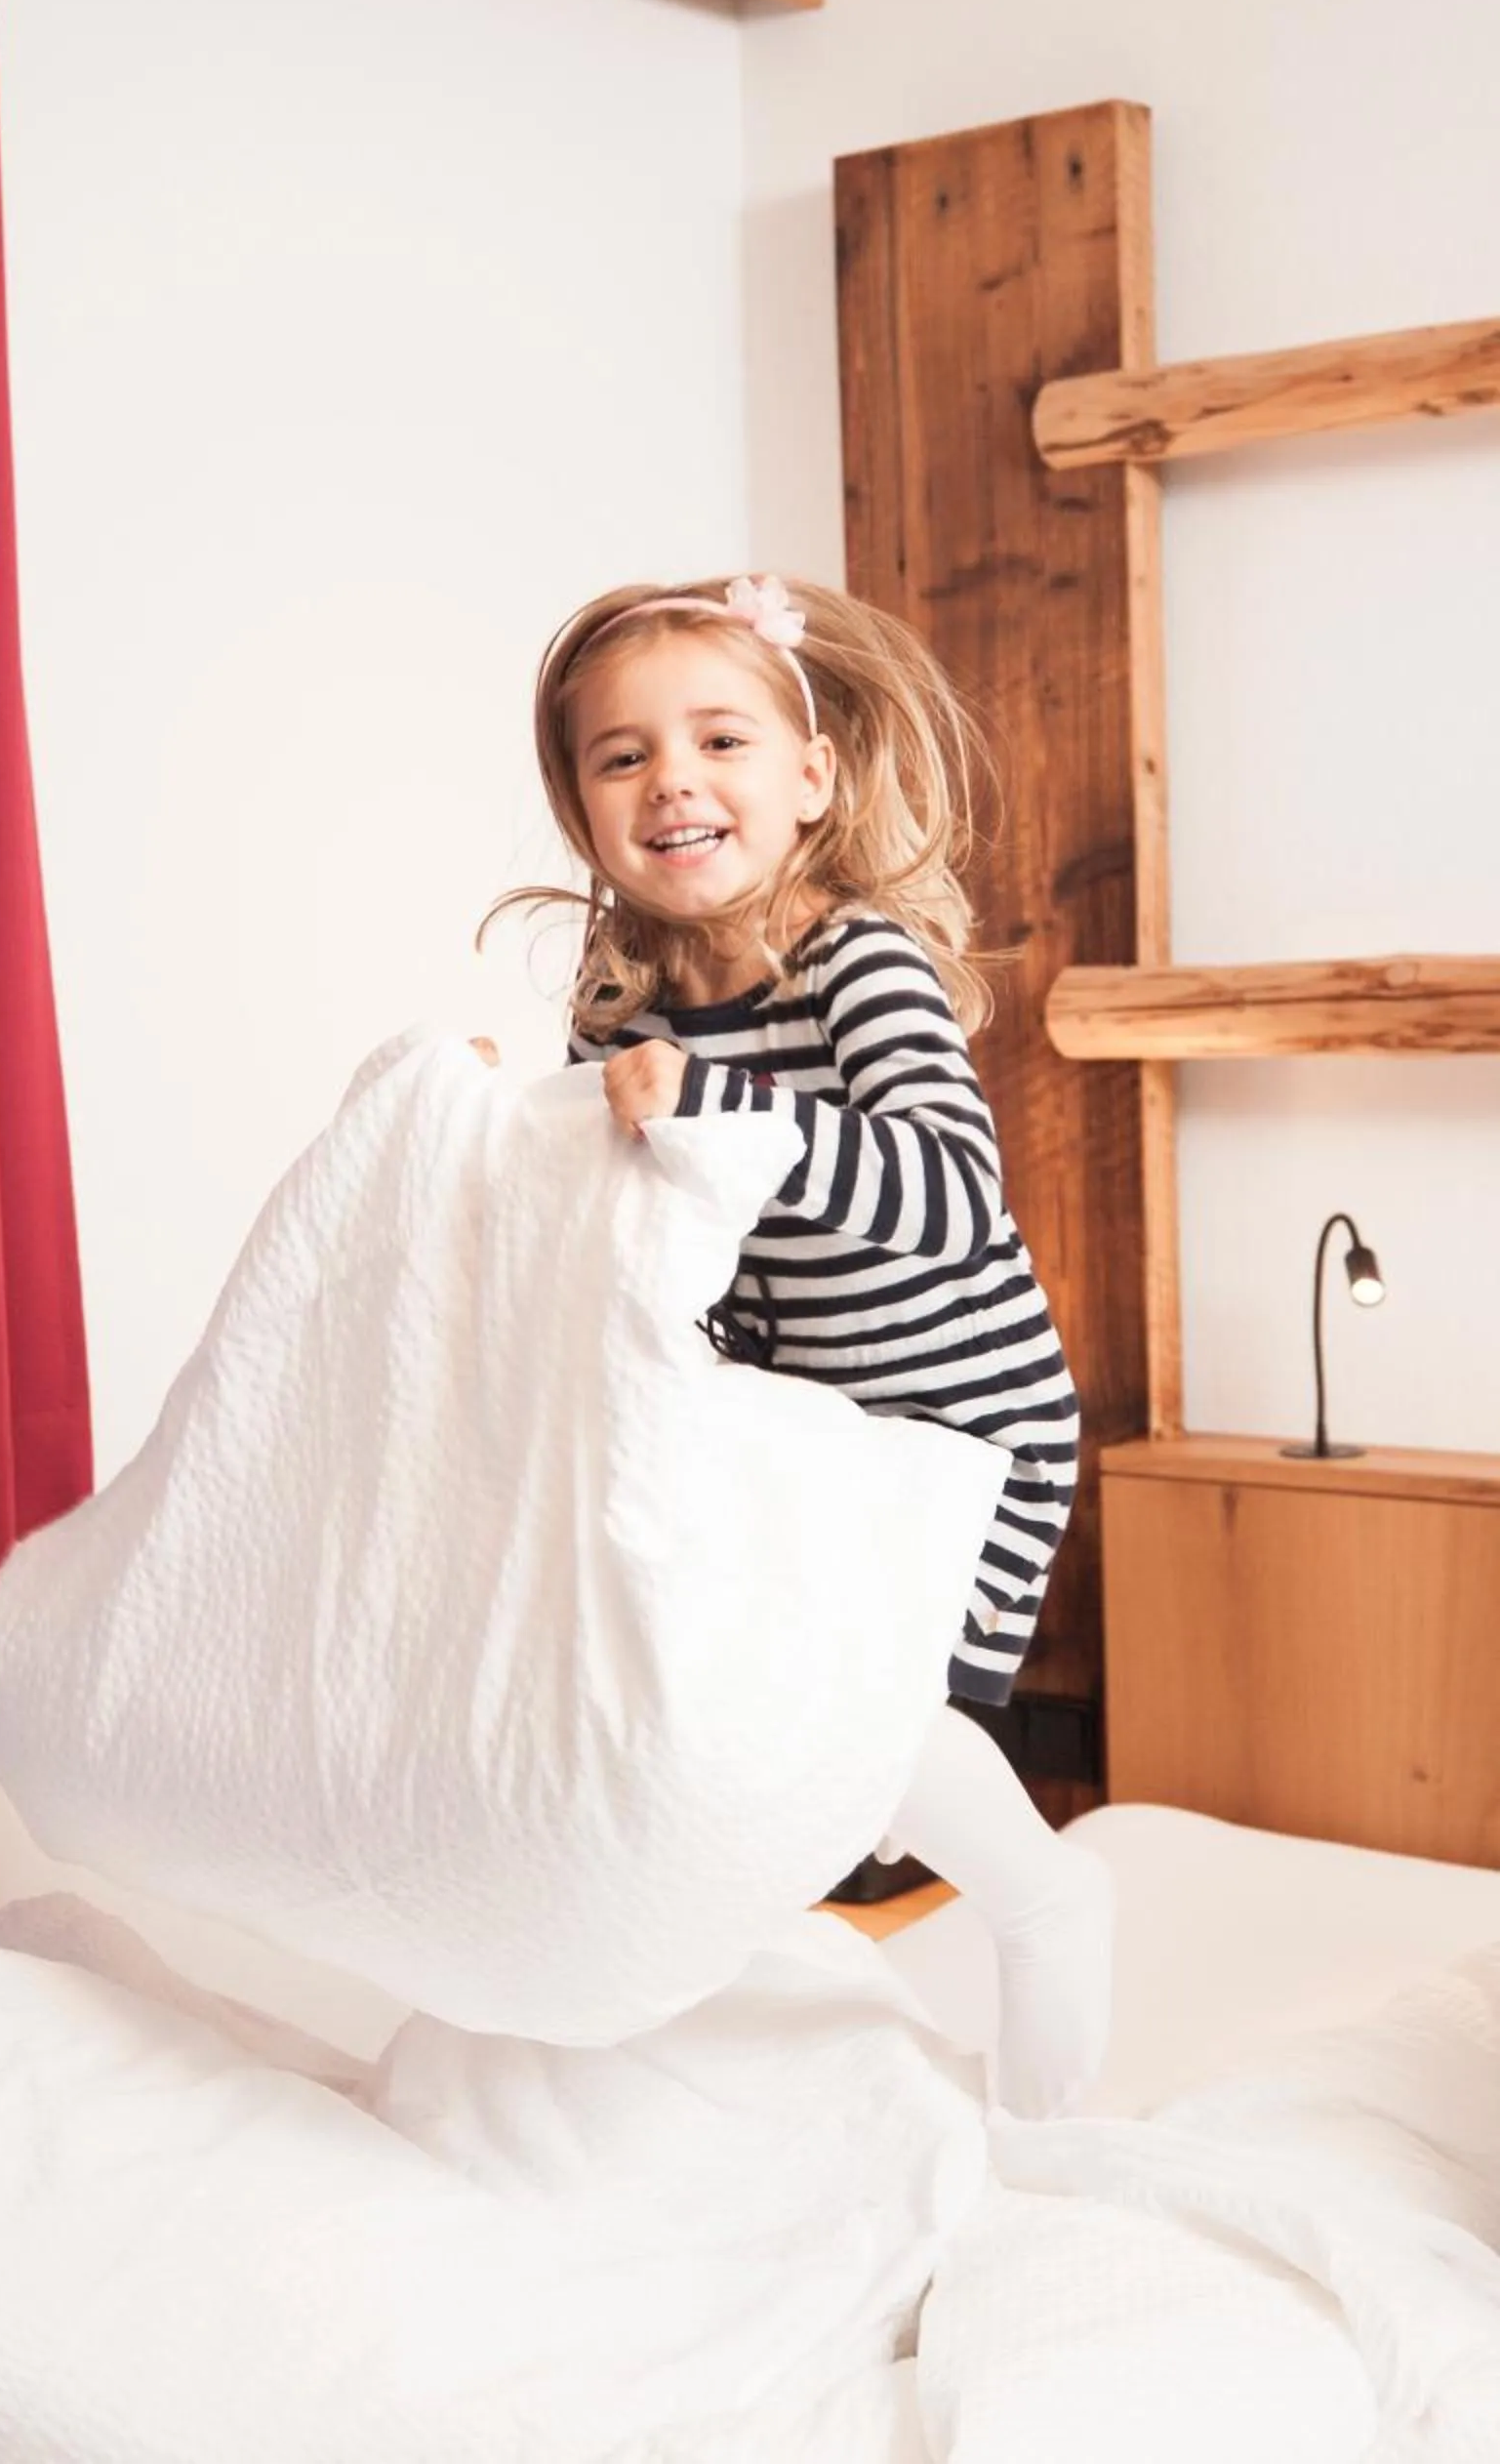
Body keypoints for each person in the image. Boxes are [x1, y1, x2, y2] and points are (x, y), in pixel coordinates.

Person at [478, 569, 1113, 2117]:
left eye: (719, 742)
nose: (673, 780)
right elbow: (624, 1230)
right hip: (791, 1441)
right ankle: (757, 2058)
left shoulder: (858, 965)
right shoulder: (621, 1001)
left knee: (886, 1741)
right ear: (580, 808)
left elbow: (953, 1196)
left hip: (963, 1443)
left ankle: (1045, 2009)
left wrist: (719, 1111)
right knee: (733, 1745)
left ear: (811, 780)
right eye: (622, 757)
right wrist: (511, 1131)